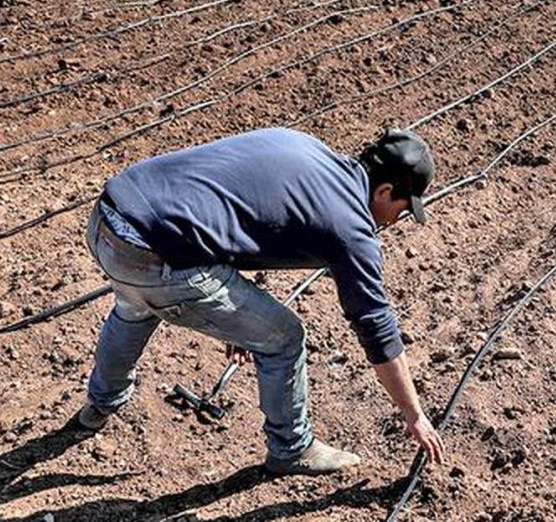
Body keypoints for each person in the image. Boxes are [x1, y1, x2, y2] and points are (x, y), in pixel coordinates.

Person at [76, 127, 444, 475]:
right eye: (404, 209)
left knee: (135, 307)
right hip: (157, 258)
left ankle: (99, 405)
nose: (397, 221)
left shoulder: (304, 146)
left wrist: (236, 326)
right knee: (283, 338)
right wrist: (414, 413)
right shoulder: (352, 231)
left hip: (109, 217)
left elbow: (233, 210)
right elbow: (375, 325)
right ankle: (292, 448)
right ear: (384, 192)